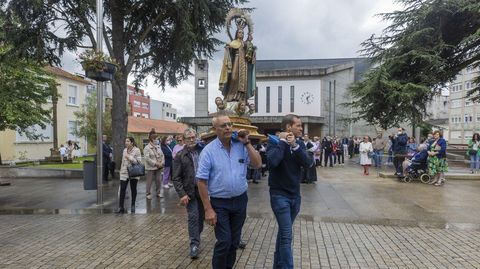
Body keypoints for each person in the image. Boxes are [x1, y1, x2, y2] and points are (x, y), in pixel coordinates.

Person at [196, 112, 261, 269]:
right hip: (219, 203)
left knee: (234, 242)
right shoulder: (208, 151)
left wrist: (247, 143)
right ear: (215, 129)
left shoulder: (241, 146)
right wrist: (208, 209)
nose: (228, 128)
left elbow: (257, 164)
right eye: (223, 125)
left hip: (240, 201)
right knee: (224, 241)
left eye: (229, 124)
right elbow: (201, 181)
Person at [267, 114, 313, 268]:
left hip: (295, 196)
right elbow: (273, 162)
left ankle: (278, 265)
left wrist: (295, 145)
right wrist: (282, 142)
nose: (301, 128)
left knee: (283, 235)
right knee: (287, 236)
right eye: (298, 125)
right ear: (288, 127)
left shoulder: (299, 143)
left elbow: (308, 163)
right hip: (279, 195)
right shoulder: (273, 142)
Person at [172, 128, 205, 259]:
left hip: (203, 190)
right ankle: (194, 244)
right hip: (189, 191)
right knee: (193, 217)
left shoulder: (203, 151)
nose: (191, 140)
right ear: (184, 140)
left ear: (196, 137)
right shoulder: (180, 155)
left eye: (193, 137)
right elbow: (176, 177)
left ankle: (196, 235)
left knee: (201, 218)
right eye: (188, 138)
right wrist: (182, 194)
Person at [219, 27, 256, 103]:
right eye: (239, 32)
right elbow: (230, 50)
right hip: (236, 60)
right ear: (236, 34)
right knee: (233, 77)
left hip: (244, 63)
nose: (241, 34)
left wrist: (250, 44)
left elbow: (250, 52)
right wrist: (228, 48)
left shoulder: (245, 43)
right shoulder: (233, 43)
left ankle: (240, 97)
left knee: (243, 80)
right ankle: (230, 95)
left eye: (242, 33)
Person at [116, 137, 141, 214]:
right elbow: (122, 162)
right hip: (124, 172)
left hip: (133, 172)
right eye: (125, 141)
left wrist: (130, 157)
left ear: (132, 143)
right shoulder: (124, 150)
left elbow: (138, 161)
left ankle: (133, 204)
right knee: (122, 189)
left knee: (133, 189)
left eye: (128, 141)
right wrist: (121, 172)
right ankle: (121, 207)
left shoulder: (137, 150)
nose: (126, 142)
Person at [144, 129, 165, 200]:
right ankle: (148, 193)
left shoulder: (158, 146)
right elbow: (147, 158)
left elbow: (162, 155)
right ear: (152, 139)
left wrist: (162, 163)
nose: (157, 140)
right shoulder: (147, 148)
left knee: (158, 180)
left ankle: (158, 192)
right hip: (151, 167)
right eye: (156, 139)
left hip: (159, 167)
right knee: (149, 181)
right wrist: (155, 163)